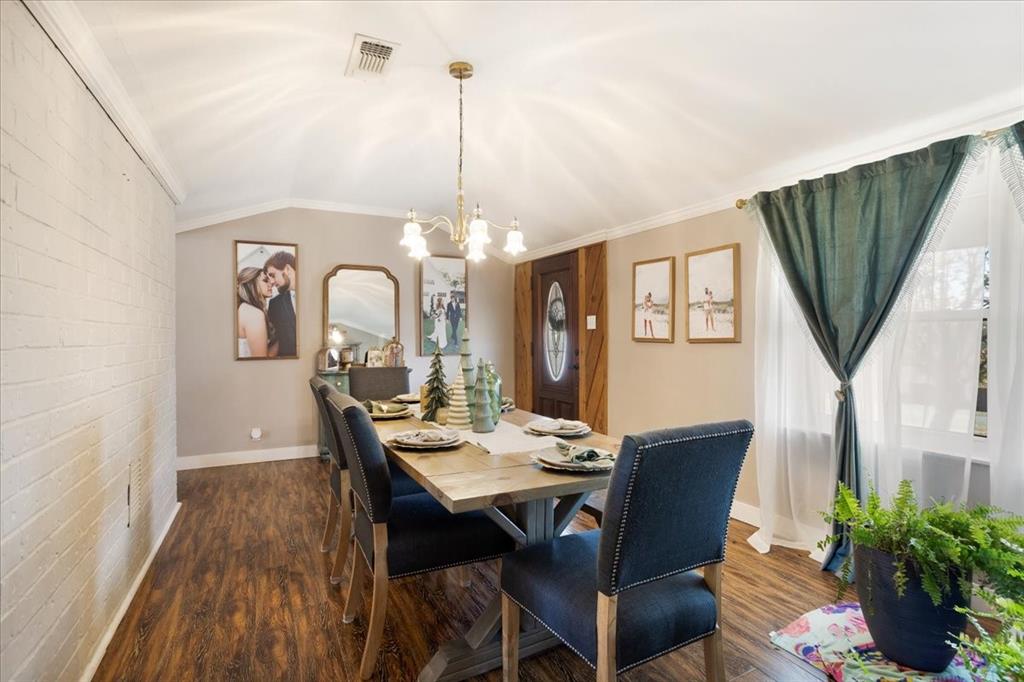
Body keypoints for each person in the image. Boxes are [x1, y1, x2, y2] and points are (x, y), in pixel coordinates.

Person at [237, 267, 276, 358]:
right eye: (265, 280)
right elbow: (261, 360)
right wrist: (280, 340)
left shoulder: (243, 308)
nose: (271, 283)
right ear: (252, 284)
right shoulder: (254, 314)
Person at [265, 251, 297, 357]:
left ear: (287, 269)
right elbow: (274, 341)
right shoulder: (275, 304)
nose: (272, 282)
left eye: (273, 275)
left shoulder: (317, 294)